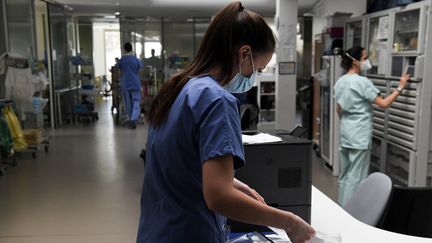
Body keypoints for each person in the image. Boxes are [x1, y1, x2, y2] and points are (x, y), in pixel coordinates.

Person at [137, 2, 315, 243]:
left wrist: (232, 182)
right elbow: (219, 197)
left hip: (158, 231)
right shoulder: (217, 100)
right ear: (244, 54)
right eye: (258, 68)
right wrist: (289, 222)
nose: (255, 76)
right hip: (190, 233)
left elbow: (179, 162)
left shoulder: (178, 88)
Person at [334, 46, 410, 206]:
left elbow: (339, 109)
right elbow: (384, 103)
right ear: (355, 61)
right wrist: (400, 87)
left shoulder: (340, 81)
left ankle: (341, 208)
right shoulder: (362, 82)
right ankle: (350, 214)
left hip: (347, 134)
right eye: (365, 57)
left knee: (345, 176)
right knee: (356, 178)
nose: (367, 61)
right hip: (359, 136)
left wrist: (349, 123)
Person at [117, 43, 143, 129]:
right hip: (135, 83)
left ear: (124, 49)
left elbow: (117, 67)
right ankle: (133, 118)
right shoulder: (135, 59)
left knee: (128, 103)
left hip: (125, 83)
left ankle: (132, 119)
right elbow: (140, 67)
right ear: (131, 49)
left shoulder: (122, 60)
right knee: (136, 102)